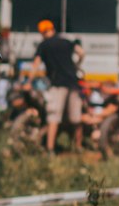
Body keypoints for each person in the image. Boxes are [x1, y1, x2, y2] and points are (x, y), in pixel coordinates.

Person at [32, 18, 83, 153]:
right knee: (76, 117)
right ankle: (78, 147)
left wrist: (28, 81)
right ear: (53, 29)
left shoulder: (44, 45)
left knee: (54, 117)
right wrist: (77, 65)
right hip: (73, 83)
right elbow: (81, 52)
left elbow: (36, 64)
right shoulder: (66, 41)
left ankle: (50, 149)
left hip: (57, 84)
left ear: (42, 33)